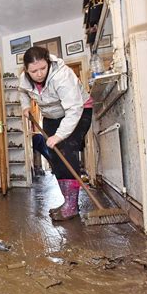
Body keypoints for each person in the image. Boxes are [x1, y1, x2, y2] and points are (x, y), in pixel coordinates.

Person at [19, 46, 93, 221]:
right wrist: (25, 106)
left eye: (42, 68)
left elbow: (74, 109)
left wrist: (59, 136)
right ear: (27, 70)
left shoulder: (62, 76)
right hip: (51, 116)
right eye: (33, 71)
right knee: (54, 156)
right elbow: (22, 91)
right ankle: (68, 201)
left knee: (67, 151)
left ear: (49, 62)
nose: (39, 74)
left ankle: (72, 207)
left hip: (79, 111)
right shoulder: (25, 78)